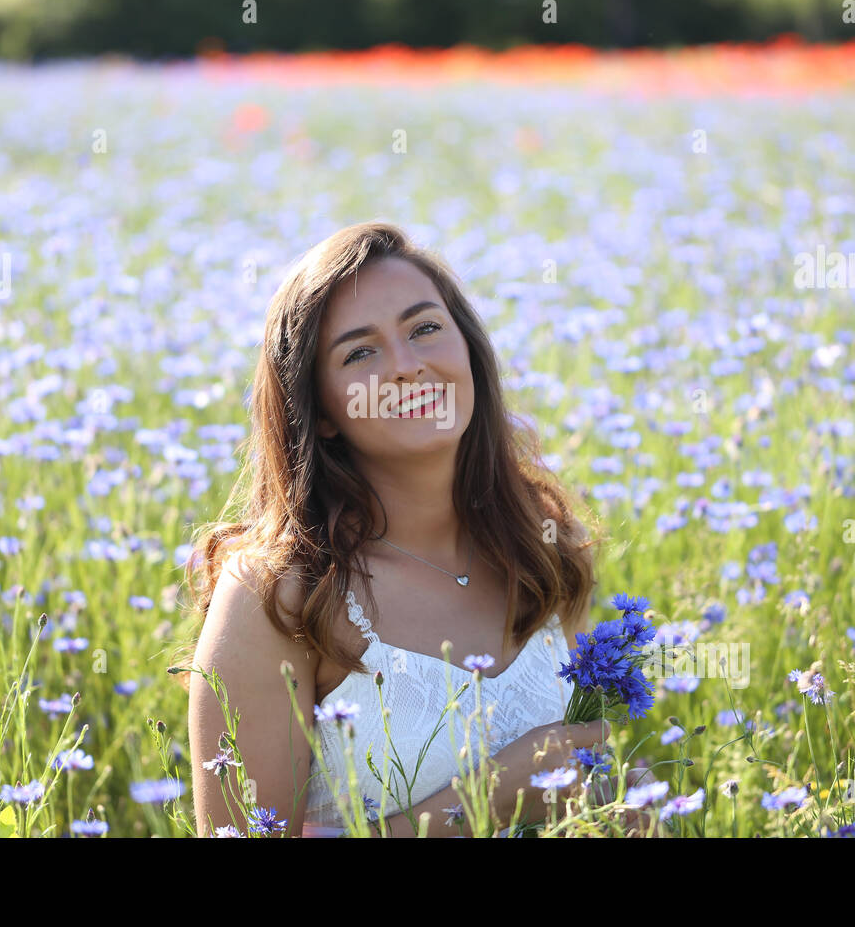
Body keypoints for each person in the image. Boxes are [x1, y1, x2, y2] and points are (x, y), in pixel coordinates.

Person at [180, 221, 609, 838]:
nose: (408, 367)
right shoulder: (277, 594)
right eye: (361, 352)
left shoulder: (540, 539)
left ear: (466, 347)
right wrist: (483, 801)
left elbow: (590, 777)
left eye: (425, 328)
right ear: (322, 412)